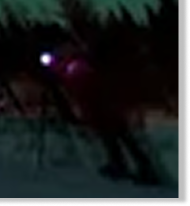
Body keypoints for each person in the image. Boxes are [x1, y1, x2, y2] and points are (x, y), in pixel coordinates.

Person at [46, 43, 161, 185]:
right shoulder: (78, 68)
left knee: (122, 138)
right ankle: (121, 165)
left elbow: (85, 89)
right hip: (103, 109)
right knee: (114, 139)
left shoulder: (79, 68)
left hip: (104, 109)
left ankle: (142, 168)